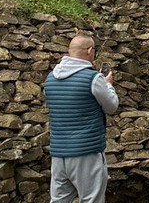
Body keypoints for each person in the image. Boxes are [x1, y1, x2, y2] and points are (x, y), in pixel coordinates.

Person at [43, 34, 120, 203]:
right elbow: (112, 106)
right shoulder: (92, 79)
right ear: (90, 51)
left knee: (58, 201)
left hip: (58, 154)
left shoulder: (50, 79)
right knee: (91, 199)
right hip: (86, 153)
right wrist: (108, 84)